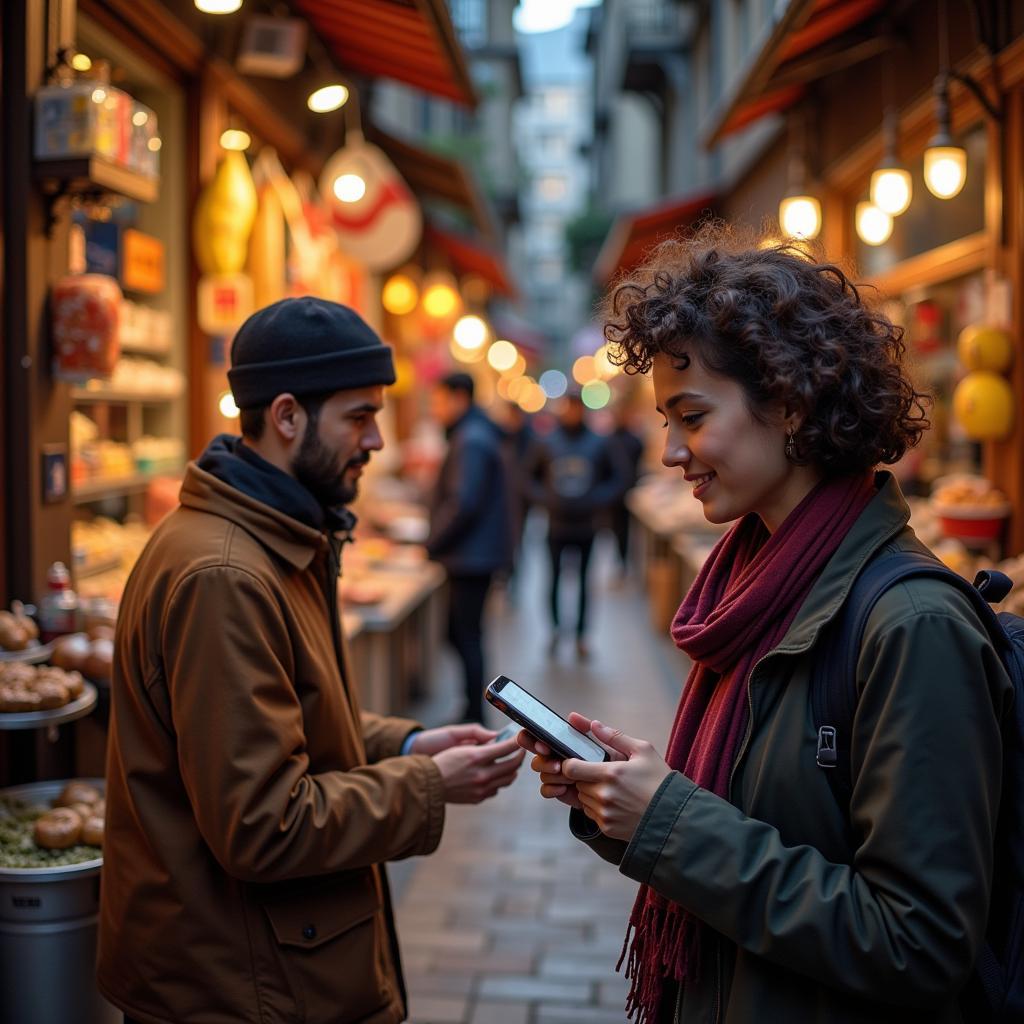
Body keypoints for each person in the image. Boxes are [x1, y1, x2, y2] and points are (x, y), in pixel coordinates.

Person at [519, 228, 1012, 1024]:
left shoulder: (911, 625)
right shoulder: (758, 586)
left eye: (691, 417)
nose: (672, 451)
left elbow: (919, 942)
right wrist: (630, 805)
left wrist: (670, 820)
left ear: (786, 403)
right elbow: (759, 827)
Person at [99, 297, 524, 1024]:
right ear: (287, 416)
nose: (378, 441)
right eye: (359, 417)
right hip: (237, 985)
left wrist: (410, 743)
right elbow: (264, 824)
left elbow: (288, 722)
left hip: (261, 966)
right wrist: (425, 784)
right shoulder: (227, 574)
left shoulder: (277, 536)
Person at [426, 372, 514, 723]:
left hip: (471, 557)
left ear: (458, 397)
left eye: (439, 400)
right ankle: (472, 708)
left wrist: (432, 542)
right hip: (474, 554)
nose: (436, 409)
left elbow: (463, 501)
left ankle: (475, 713)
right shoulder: (476, 433)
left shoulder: (472, 439)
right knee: (463, 633)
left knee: (465, 635)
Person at [526, 391, 624, 659]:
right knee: (554, 579)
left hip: (587, 525)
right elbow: (527, 477)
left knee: (584, 581)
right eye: (567, 408)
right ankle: (556, 630)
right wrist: (545, 499)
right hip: (556, 525)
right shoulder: (547, 442)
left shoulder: (599, 443)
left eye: (576, 408)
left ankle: (582, 635)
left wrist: (597, 499)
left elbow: (618, 477)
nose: (571, 412)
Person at [604, 400, 645, 577]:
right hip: (615, 495)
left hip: (629, 492)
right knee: (617, 530)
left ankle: (625, 564)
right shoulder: (608, 441)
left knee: (626, 532)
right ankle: (622, 563)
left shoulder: (633, 440)